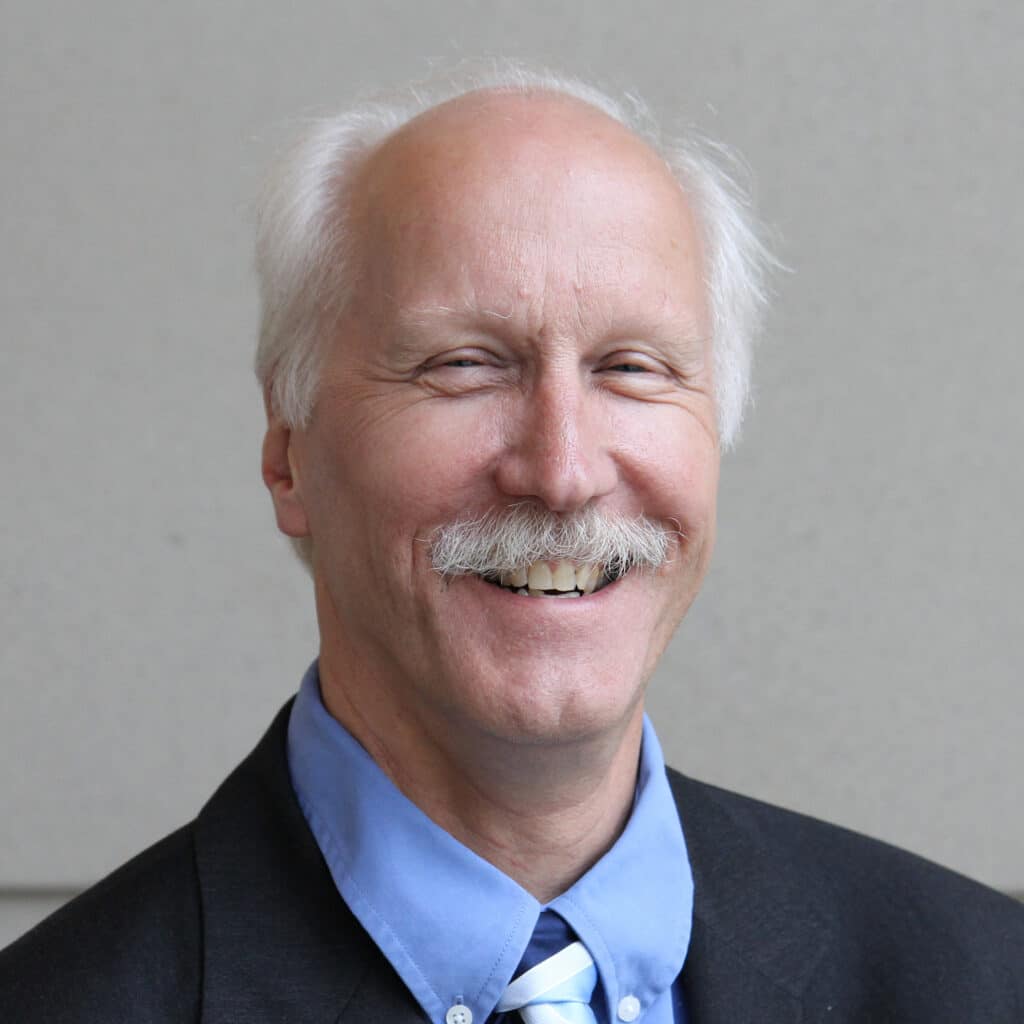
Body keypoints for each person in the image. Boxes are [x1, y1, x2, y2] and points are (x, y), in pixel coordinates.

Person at [1, 64, 1021, 1023]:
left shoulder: (982, 979)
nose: (564, 469)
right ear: (289, 458)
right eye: (465, 364)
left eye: (631, 367)